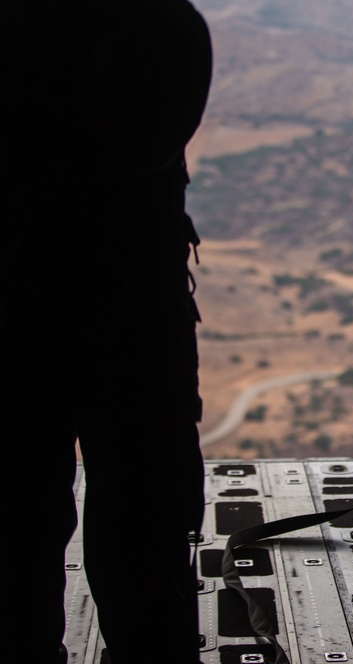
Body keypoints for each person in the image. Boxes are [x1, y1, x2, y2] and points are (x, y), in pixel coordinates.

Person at [0, 2, 212, 663]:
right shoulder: (156, 26)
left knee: (26, 521)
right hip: (132, 301)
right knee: (144, 515)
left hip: (36, 304)